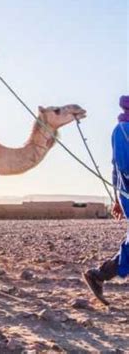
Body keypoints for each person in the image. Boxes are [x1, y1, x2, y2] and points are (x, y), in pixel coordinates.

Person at [83, 95, 129, 305]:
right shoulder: (122, 131)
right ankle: (99, 275)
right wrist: (118, 199)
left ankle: (99, 275)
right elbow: (122, 167)